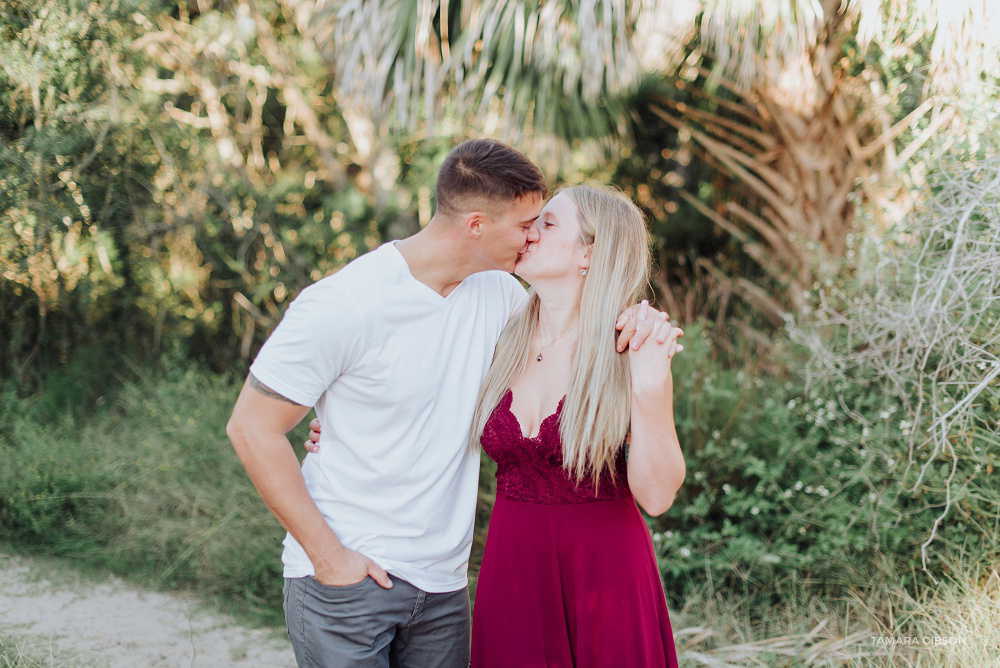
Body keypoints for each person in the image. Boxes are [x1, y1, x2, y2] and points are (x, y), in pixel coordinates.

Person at [226, 139, 669, 668]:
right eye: (528, 223)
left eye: (543, 224)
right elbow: (252, 429)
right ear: (477, 224)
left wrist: (642, 331)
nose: (531, 236)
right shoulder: (344, 304)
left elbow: (578, 322)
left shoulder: (503, 301)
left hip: (443, 589)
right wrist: (330, 557)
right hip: (350, 576)